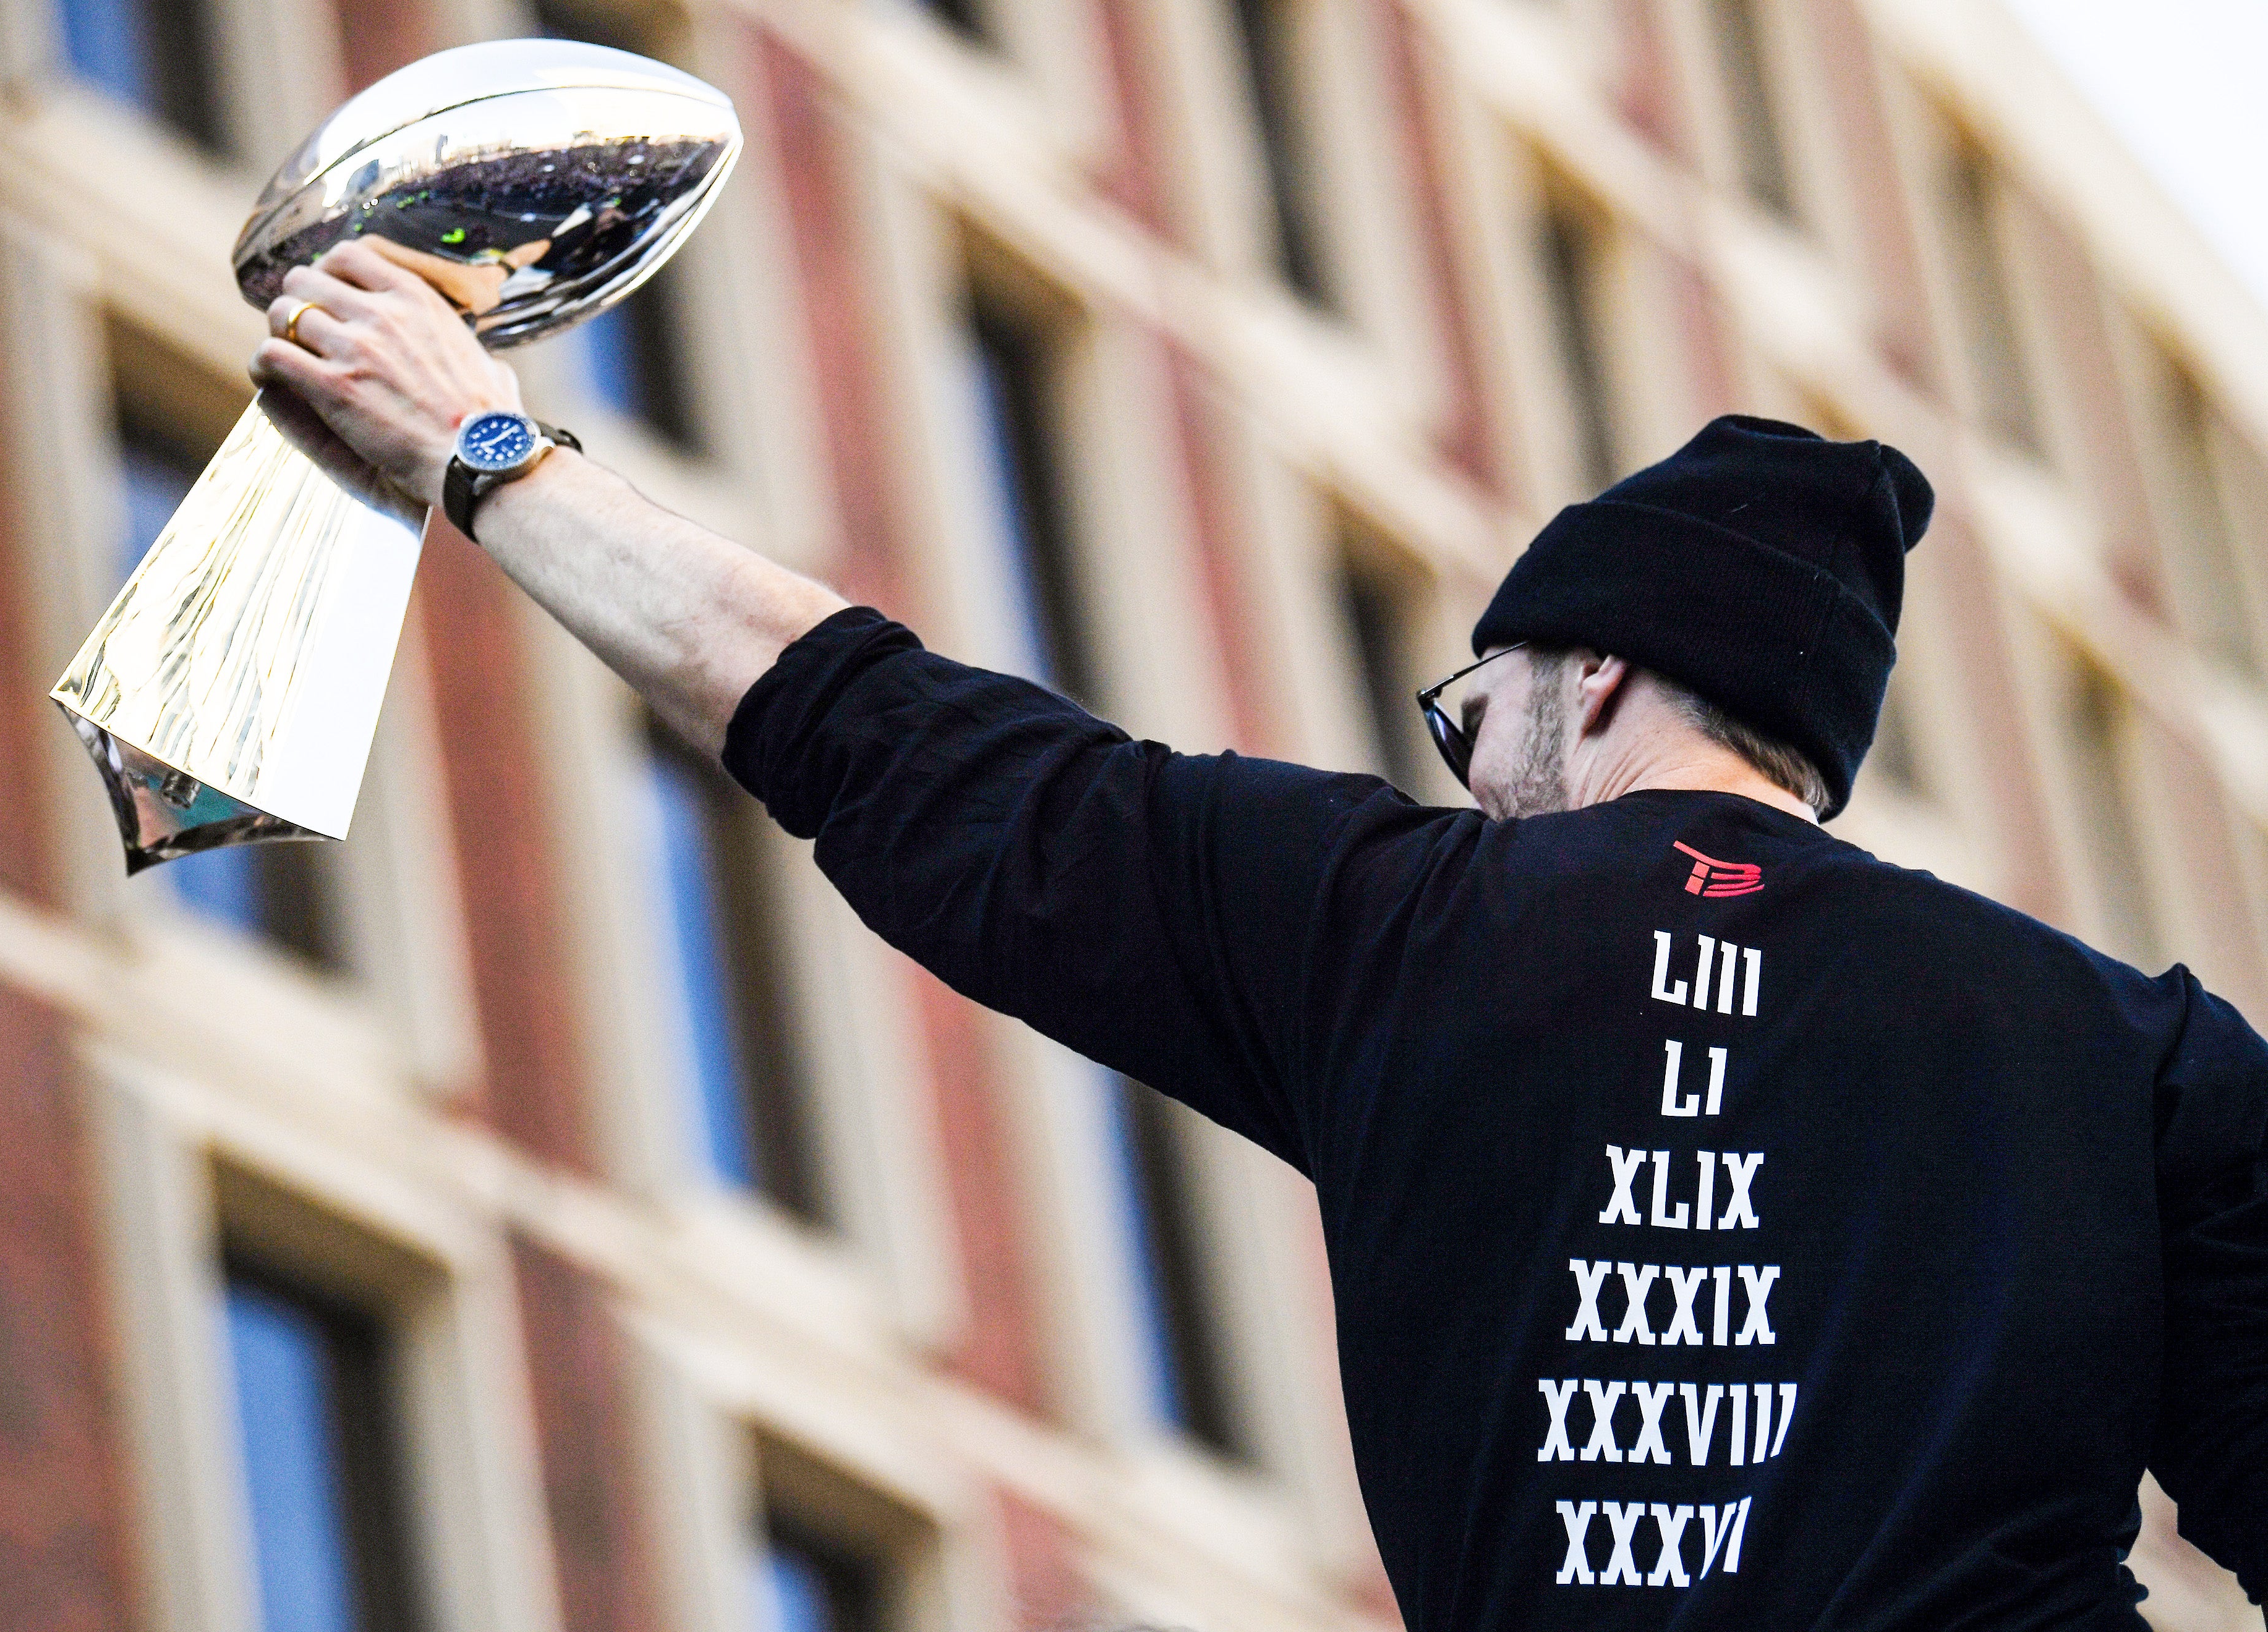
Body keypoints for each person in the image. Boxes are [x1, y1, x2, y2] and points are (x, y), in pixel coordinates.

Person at [254, 240, 2266, 1630]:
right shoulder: (2135, 1054)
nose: (1466, 772)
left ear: (1597, 672)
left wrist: (484, 449)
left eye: (1471, 716)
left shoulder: (1385, 925)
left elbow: (859, 721)